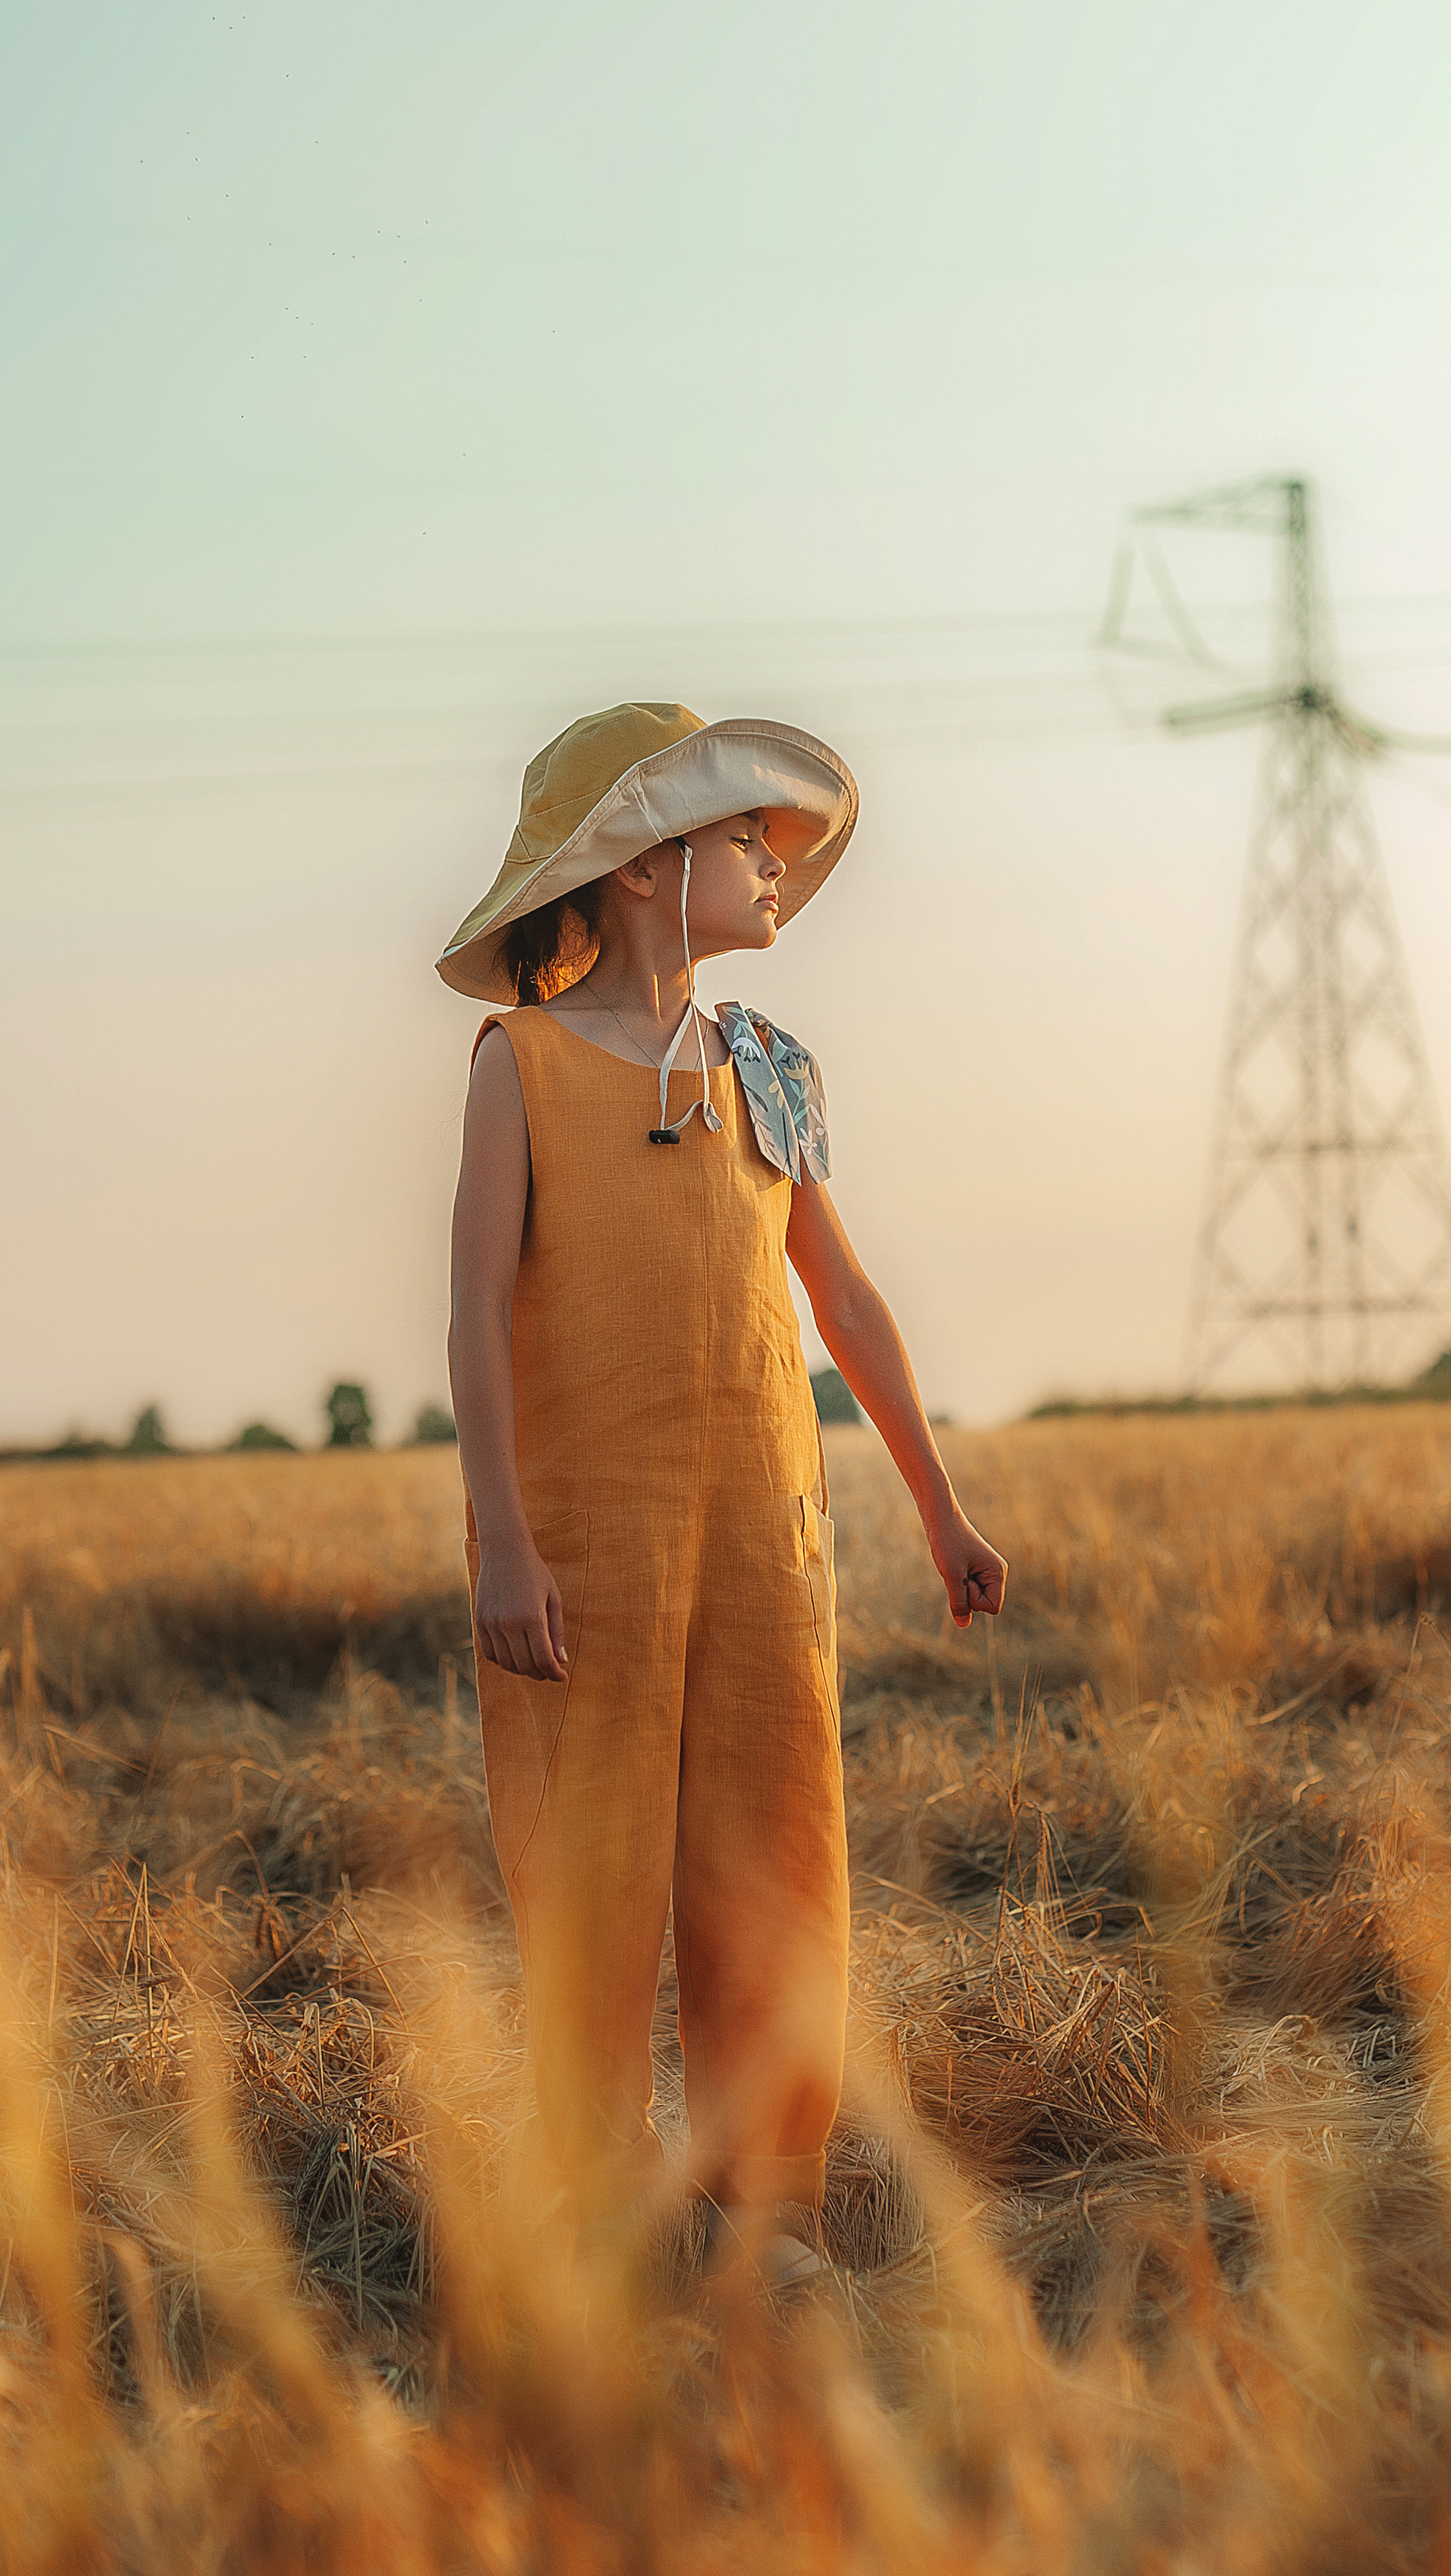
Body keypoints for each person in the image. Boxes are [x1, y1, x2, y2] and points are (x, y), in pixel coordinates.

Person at [441, 700, 1009, 2280]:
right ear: (639, 865)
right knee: (592, 1868)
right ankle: (607, 2207)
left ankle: (770, 2208)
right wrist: (502, 1542)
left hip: (767, 1536)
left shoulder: (771, 1063)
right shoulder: (519, 1064)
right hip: (586, 1549)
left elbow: (843, 1298)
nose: (774, 864)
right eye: (744, 836)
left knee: (776, 1851)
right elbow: (474, 1313)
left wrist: (939, 1502)